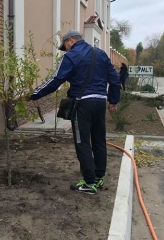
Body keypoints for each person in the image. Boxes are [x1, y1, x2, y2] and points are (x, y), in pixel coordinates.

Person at [26, 29, 120, 194]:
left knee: (82, 141)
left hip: (82, 104)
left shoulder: (70, 56)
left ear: (70, 41)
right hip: (99, 103)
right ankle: (98, 178)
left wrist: (34, 95)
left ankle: (89, 183)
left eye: (65, 46)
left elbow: (56, 80)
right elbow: (114, 79)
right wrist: (113, 101)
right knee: (99, 140)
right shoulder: (101, 54)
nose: (66, 49)